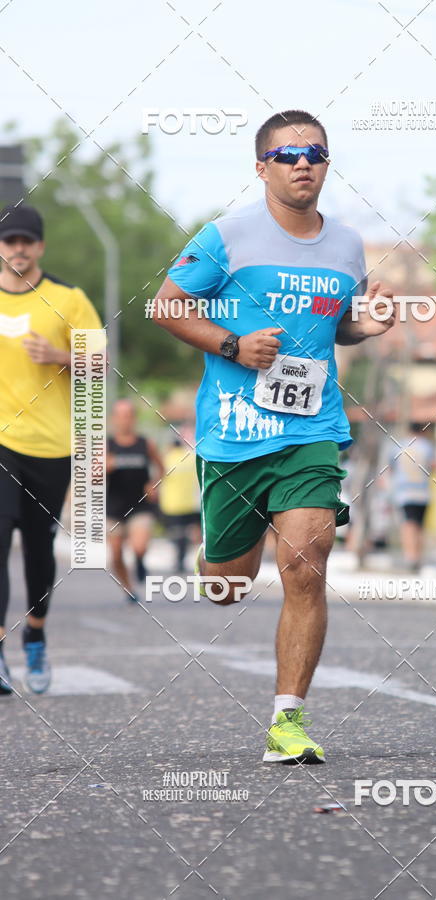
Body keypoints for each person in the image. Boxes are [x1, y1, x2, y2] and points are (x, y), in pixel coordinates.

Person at [152, 109, 395, 763]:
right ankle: (235, 544)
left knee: (306, 563)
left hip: (311, 429)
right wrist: (233, 344)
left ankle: (288, 722)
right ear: (261, 168)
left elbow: (337, 326)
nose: (303, 164)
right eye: (288, 156)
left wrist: (363, 330)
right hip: (234, 436)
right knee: (227, 584)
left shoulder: (347, 246)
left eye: (315, 152)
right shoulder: (226, 236)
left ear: (326, 163)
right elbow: (166, 305)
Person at [0, 203, 101, 695]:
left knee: (39, 549)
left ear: (39, 246)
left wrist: (61, 355)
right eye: (9, 240)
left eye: (26, 240)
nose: (17, 248)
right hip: (2, 443)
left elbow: (100, 366)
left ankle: (35, 633)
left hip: (53, 447)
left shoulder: (68, 299)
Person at [106, 399, 164, 603]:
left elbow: (161, 468)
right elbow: (90, 477)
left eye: (129, 415)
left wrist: (154, 485)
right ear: (114, 419)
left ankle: (140, 560)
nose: (125, 420)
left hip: (140, 505)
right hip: (113, 507)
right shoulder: (106, 446)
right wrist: (103, 468)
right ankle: (128, 589)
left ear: (134, 419)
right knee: (115, 553)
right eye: (121, 416)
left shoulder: (145, 444)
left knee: (139, 546)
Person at [388, 423, 436, 573]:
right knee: (419, 526)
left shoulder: (399, 446)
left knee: (408, 525)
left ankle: (411, 556)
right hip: (422, 492)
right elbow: (435, 465)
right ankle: (418, 557)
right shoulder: (427, 446)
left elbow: (391, 468)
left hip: (404, 492)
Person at [159, 437, 202, 571]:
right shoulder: (190, 458)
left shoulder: (166, 459)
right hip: (190, 503)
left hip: (172, 504)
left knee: (176, 533)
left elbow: (159, 478)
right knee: (187, 531)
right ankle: (182, 557)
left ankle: (179, 557)